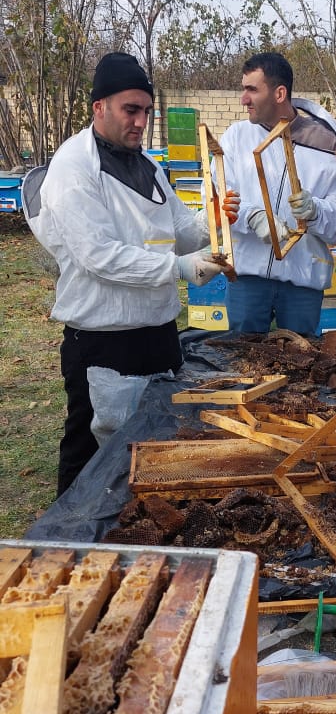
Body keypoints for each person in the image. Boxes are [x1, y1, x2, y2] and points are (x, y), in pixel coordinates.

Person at [30, 51, 226, 496]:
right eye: (130, 110)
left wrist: (218, 219)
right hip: (103, 341)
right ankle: (72, 540)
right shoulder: (73, 168)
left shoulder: (150, 167)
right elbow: (99, 255)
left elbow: (183, 230)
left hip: (157, 333)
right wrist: (177, 268)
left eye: (146, 112)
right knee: (91, 454)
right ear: (99, 107)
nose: (140, 121)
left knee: (153, 448)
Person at [218, 52, 336, 334]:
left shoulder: (327, 144)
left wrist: (316, 212)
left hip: (302, 281)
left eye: (252, 89)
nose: (244, 99)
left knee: (301, 365)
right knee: (242, 364)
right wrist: (253, 217)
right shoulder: (236, 137)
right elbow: (221, 197)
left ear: (280, 93)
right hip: (248, 278)